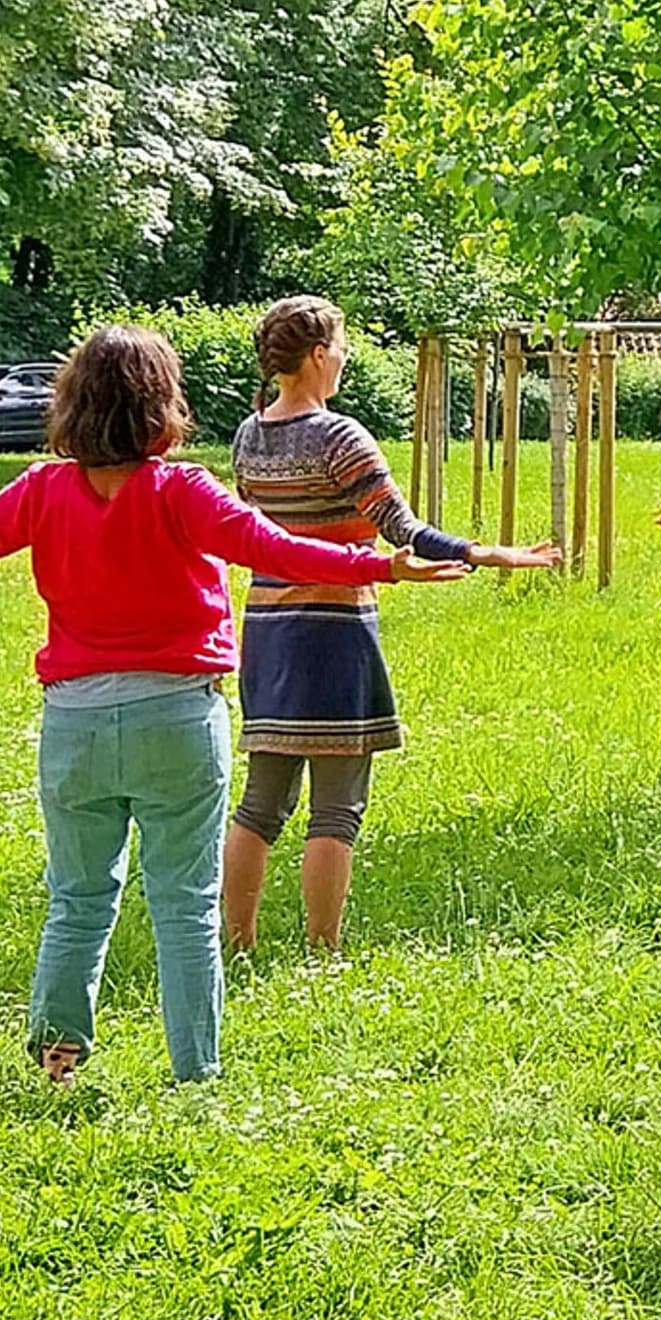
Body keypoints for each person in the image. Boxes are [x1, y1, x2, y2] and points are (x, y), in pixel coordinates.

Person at [0, 325, 468, 1085]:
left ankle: (59, 1057)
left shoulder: (41, 491)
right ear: (162, 403)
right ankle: (196, 1075)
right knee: (185, 907)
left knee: (77, 900)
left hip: (76, 726)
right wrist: (380, 564)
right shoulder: (183, 491)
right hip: (179, 721)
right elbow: (274, 549)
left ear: (73, 402)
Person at [223, 293, 556, 963]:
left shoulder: (248, 435)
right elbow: (403, 531)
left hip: (265, 630)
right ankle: (322, 950)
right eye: (340, 347)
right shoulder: (339, 437)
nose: (343, 359)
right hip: (334, 633)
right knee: (337, 806)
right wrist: (485, 552)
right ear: (318, 356)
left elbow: (256, 530)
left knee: (260, 802)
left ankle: (236, 943)